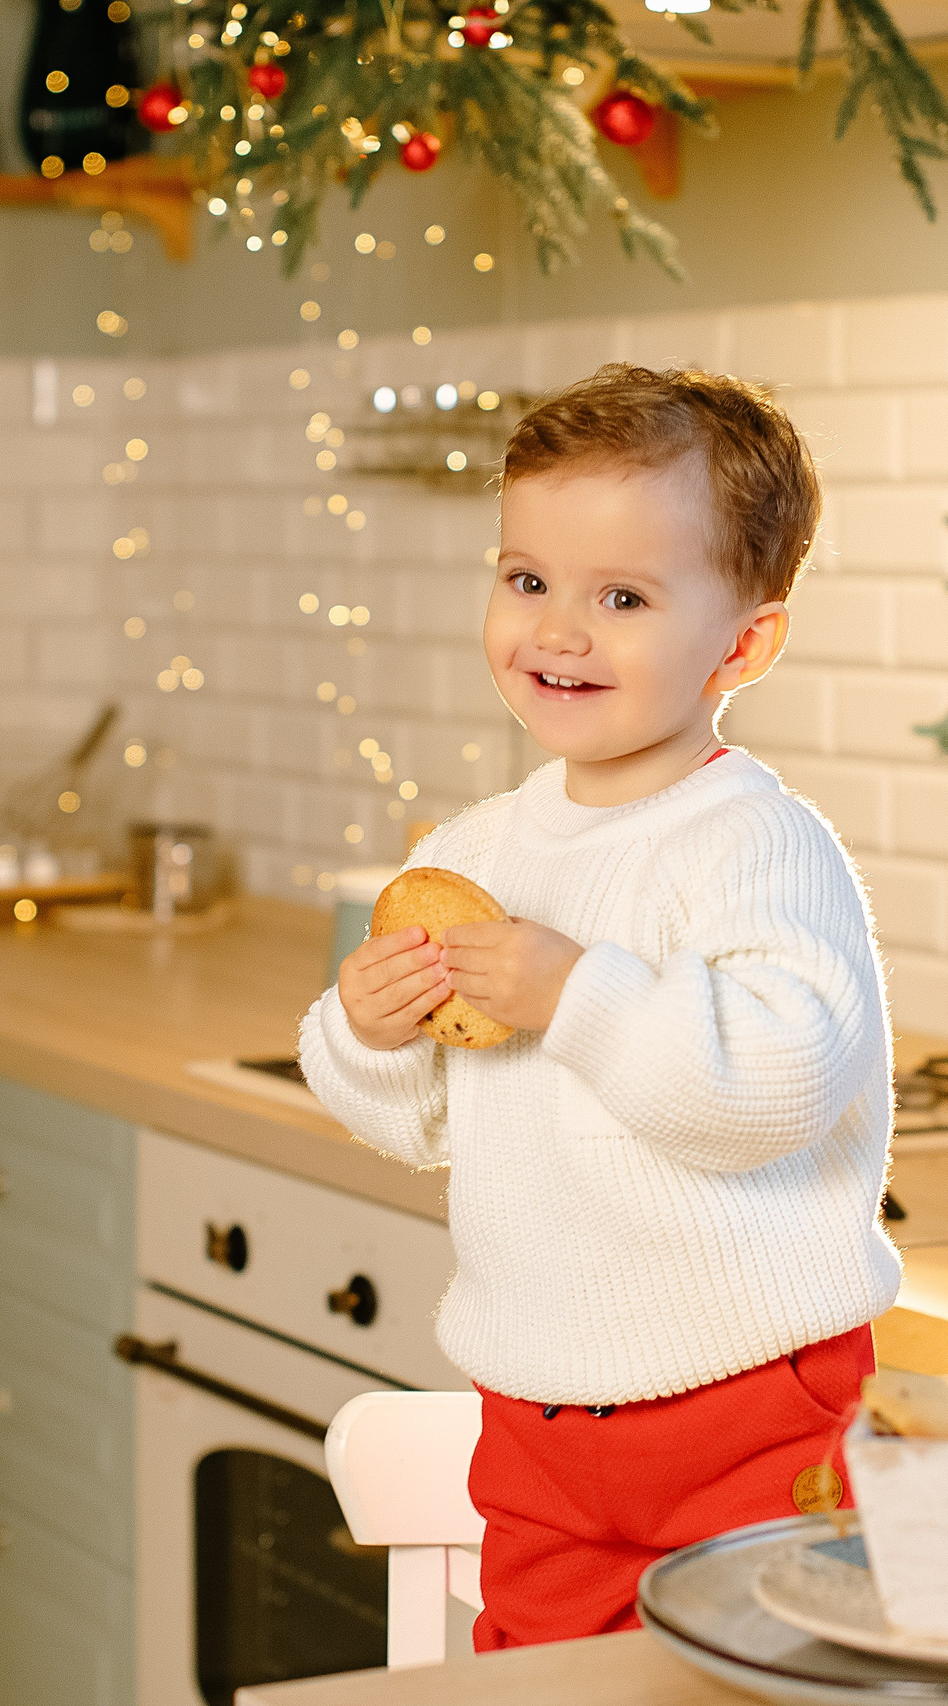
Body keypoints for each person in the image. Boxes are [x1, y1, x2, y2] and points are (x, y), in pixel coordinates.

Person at [295, 363, 899, 1650]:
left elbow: (774, 1088)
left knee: (762, 1674)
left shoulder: (757, 845)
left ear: (745, 643)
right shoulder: (477, 847)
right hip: (540, 1408)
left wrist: (577, 992)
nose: (556, 631)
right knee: (541, 1682)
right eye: (527, 581)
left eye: (620, 597)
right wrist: (367, 1030)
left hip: (743, 1397)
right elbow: (414, 1120)